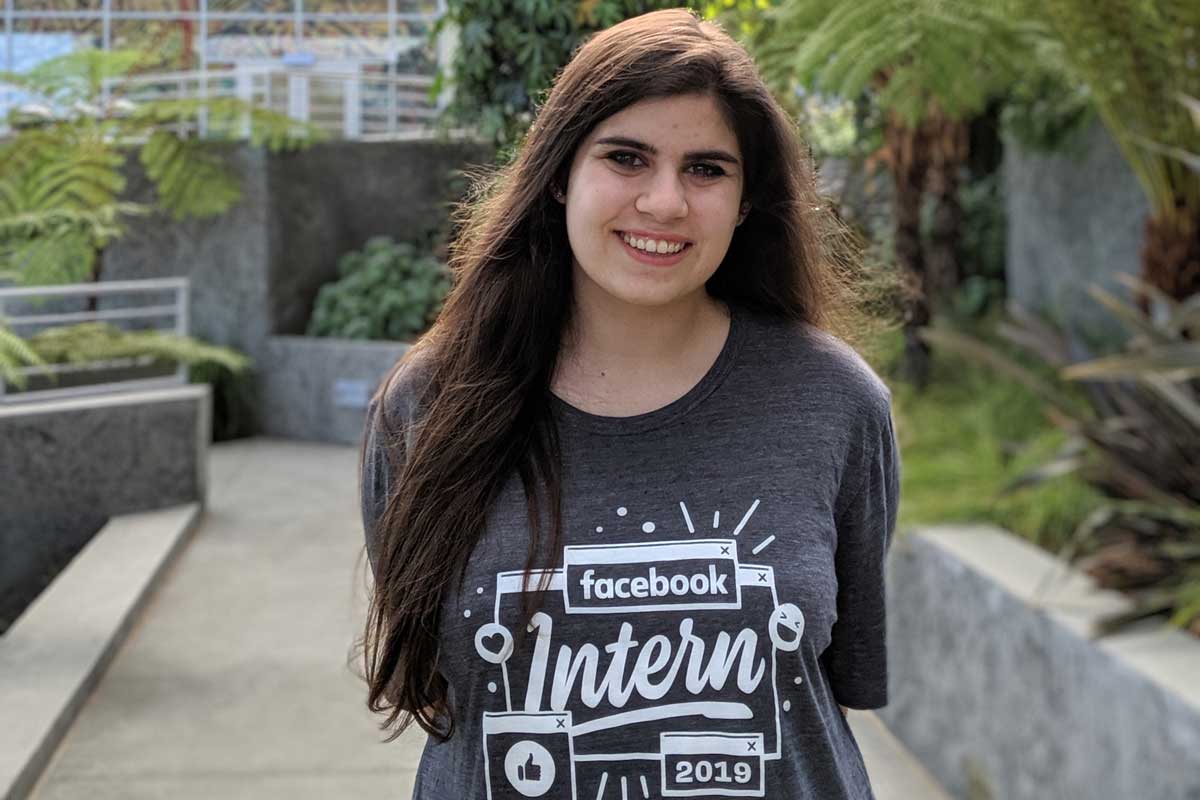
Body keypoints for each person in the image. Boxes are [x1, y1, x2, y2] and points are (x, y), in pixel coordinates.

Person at [359, 8, 900, 799]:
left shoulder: (836, 402)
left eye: (707, 169)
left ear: (747, 200)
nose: (665, 202)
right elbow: (439, 687)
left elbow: (838, 680)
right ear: (558, 172)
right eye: (626, 158)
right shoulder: (428, 406)